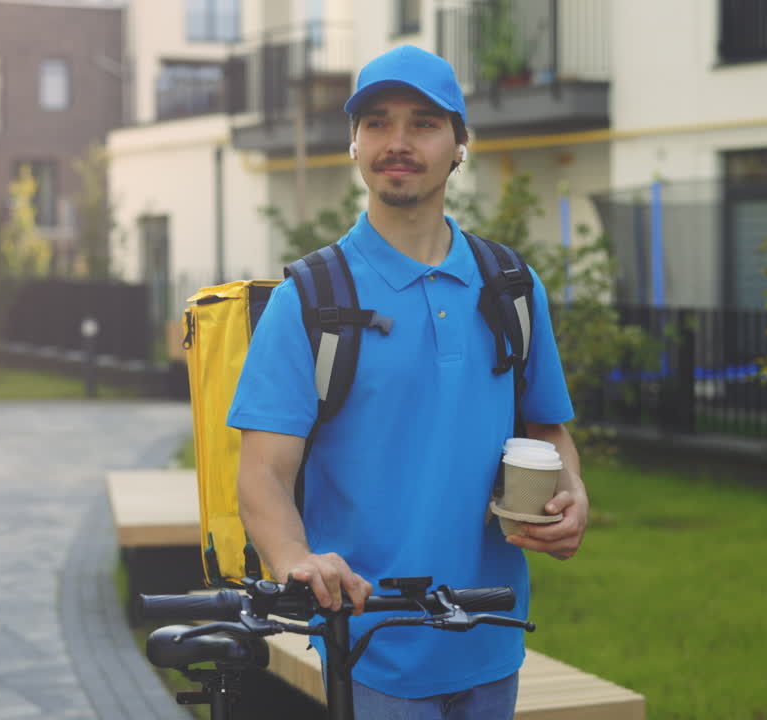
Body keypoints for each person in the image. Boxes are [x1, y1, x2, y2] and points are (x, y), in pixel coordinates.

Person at [227, 44, 587, 718]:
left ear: (459, 145)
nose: (399, 142)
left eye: (423, 123)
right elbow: (263, 476)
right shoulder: (308, 301)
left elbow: (548, 429)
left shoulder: (511, 286)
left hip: (492, 634)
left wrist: (574, 495)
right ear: (355, 144)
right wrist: (295, 558)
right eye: (378, 123)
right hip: (371, 645)